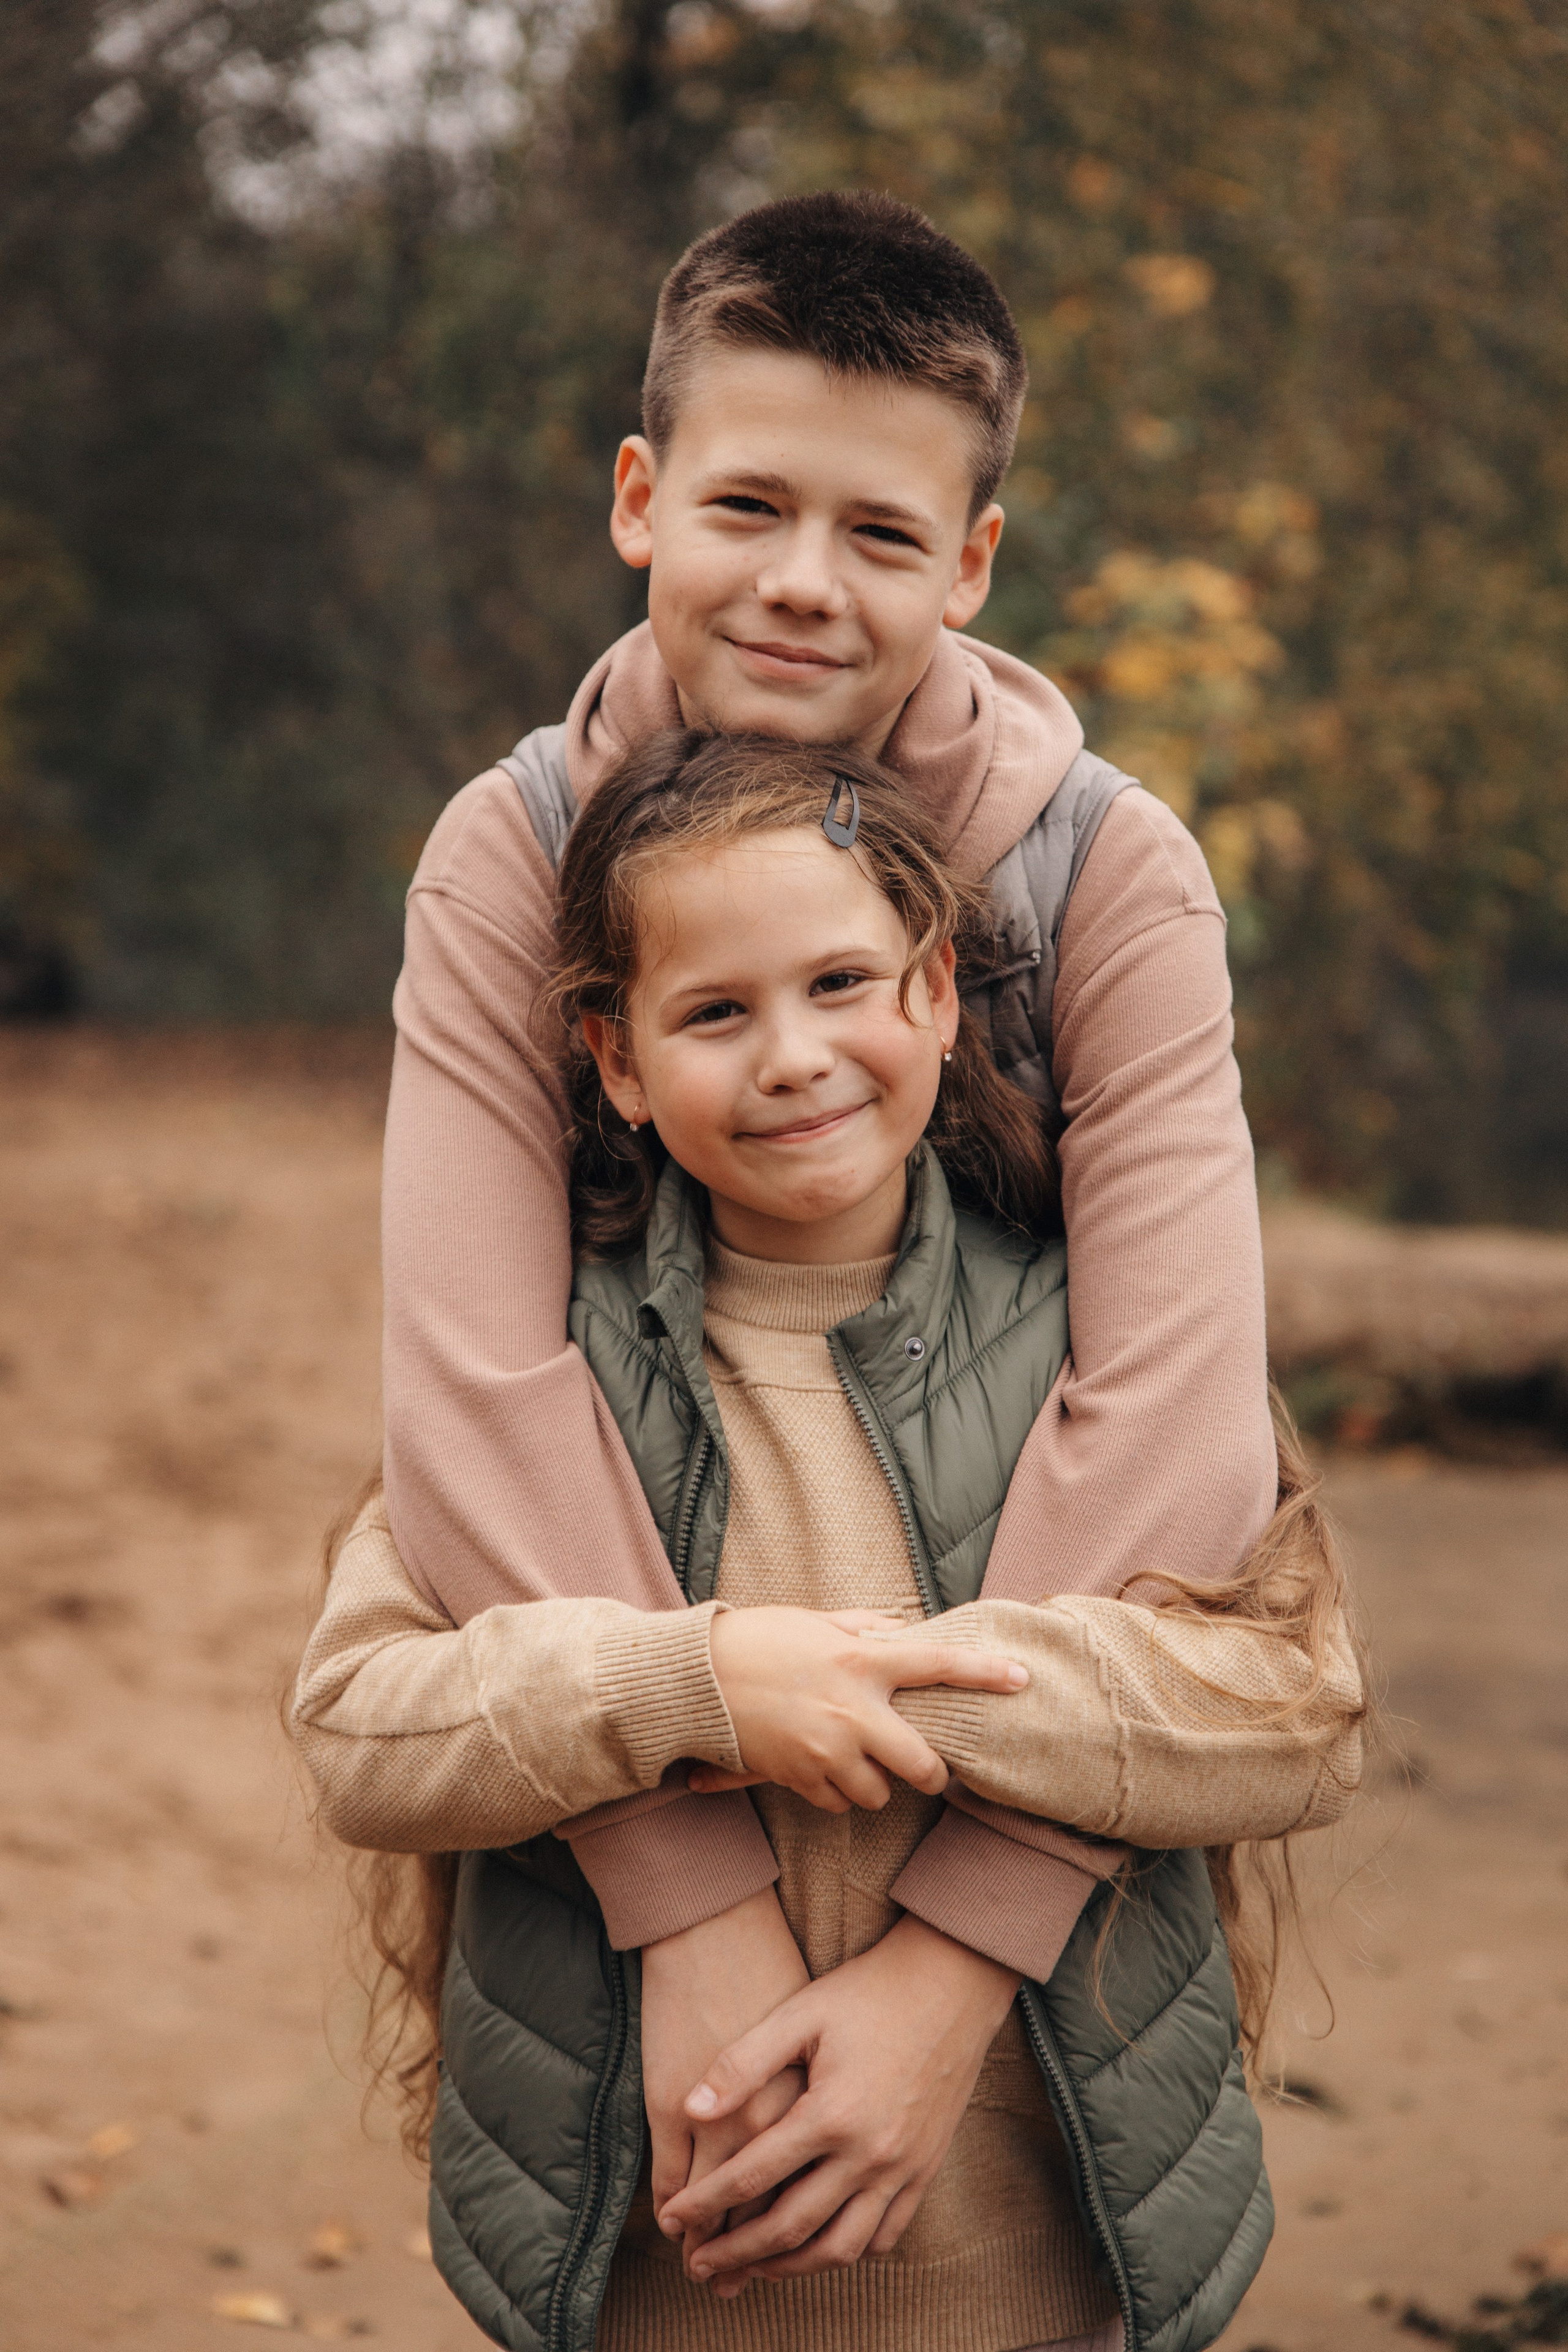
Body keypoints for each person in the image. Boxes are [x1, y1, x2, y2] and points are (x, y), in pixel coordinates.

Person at [295, 733, 1365, 2352]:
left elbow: (1299, 1711)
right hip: (649, 2286)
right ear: (618, 1061)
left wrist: (885, 1698)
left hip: (1042, 2277)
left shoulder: (1100, 1355)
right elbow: (359, 1731)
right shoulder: (547, 1387)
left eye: (842, 985)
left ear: (936, 994)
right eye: (716, 1013)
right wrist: (704, 1686)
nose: (792, 1057)